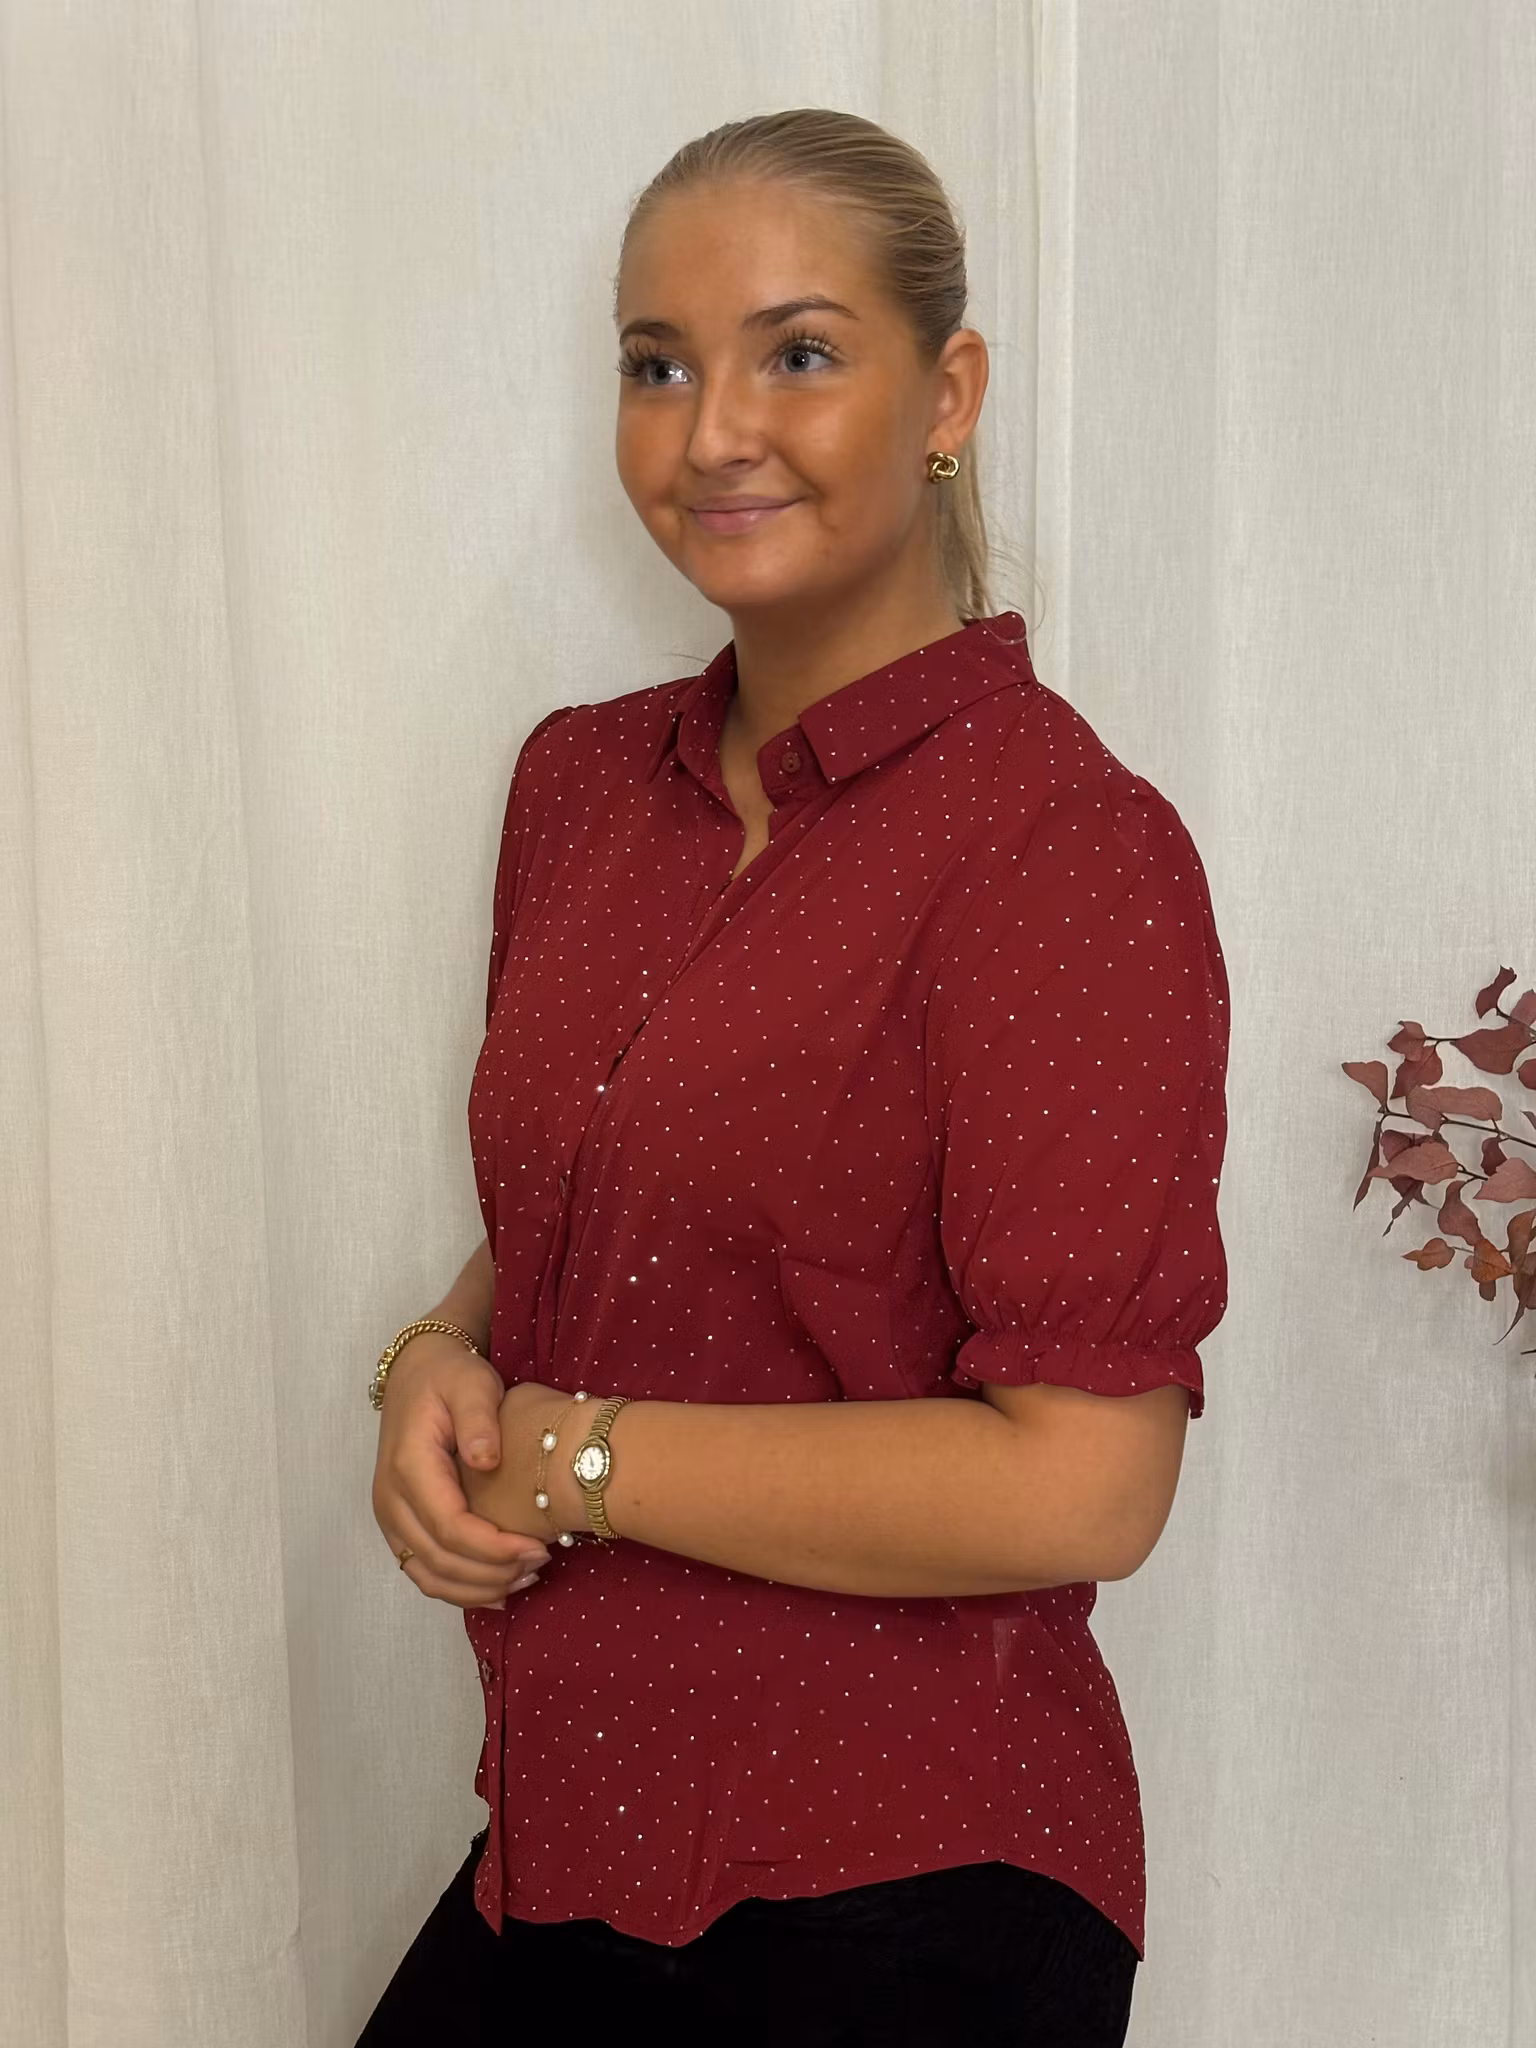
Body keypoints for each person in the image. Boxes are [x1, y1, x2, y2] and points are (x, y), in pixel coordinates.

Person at [359, 107, 1229, 2047]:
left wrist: (576, 1456)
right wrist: (436, 1351)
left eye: (799, 353)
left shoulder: (1061, 847)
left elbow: (1090, 1478)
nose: (713, 431)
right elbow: (627, 1196)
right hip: (575, 1835)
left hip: (908, 1884)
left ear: (949, 394)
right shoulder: (580, 790)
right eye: (657, 366)